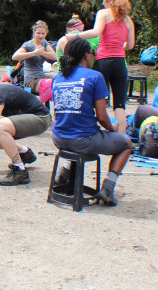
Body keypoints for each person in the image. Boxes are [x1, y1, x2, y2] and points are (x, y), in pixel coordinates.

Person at [50, 37, 133, 206]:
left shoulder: (58, 78)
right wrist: (113, 130)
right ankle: (108, 188)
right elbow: (102, 117)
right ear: (87, 55)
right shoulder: (95, 76)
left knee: (76, 136)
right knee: (126, 143)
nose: (94, 57)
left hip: (58, 137)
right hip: (83, 140)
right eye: (93, 53)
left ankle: (65, 171)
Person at [79, 0, 135, 134]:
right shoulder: (128, 20)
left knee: (97, 99)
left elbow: (96, 32)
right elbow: (130, 45)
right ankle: (122, 138)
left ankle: (91, 131)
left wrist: (77, 35)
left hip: (103, 61)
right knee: (120, 104)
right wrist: (119, 44)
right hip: (120, 63)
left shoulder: (103, 14)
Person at [12, 20, 57, 93]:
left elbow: (55, 56)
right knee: (49, 85)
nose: (40, 36)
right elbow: (14, 57)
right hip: (30, 80)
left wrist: (42, 53)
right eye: (38, 33)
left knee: (59, 81)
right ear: (34, 32)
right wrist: (33, 53)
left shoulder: (44, 42)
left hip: (42, 77)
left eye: (43, 33)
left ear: (46, 33)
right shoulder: (28, 45)